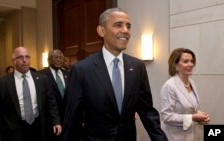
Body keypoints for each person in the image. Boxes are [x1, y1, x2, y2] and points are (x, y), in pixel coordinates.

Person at [62, 8, 168, 141]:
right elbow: (72, 119)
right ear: (101, 31)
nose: (125, 30)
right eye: (118, 25)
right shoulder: (82, 70)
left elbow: (147, 112)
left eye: (128, 26)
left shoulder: (137, 67)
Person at [0, 47, 62, 141]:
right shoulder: (0, 84)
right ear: (14, 61)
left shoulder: (42, 79)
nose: (24, 60)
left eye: (27, 57)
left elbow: (51, 103)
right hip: (13, 131)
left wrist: (56, 121)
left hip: (38, 128)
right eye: (20, 57)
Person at [160, 48, 210, 141]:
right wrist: (193, 117)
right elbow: (167, 116)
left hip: (189, 135)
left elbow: (189, 108)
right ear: (176, 65)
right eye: (186, 61)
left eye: (192, 61)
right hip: (172, 136)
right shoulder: (169, 86)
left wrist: (200, 115)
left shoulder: (192, 83)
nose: (190, 64)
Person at [38, 49, 69, 141]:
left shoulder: (68, 74)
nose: (58, 60)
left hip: (67, 118)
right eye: (55, 57)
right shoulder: (40, 75)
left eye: (61, 58)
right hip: (49, 119)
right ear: (49, 60)